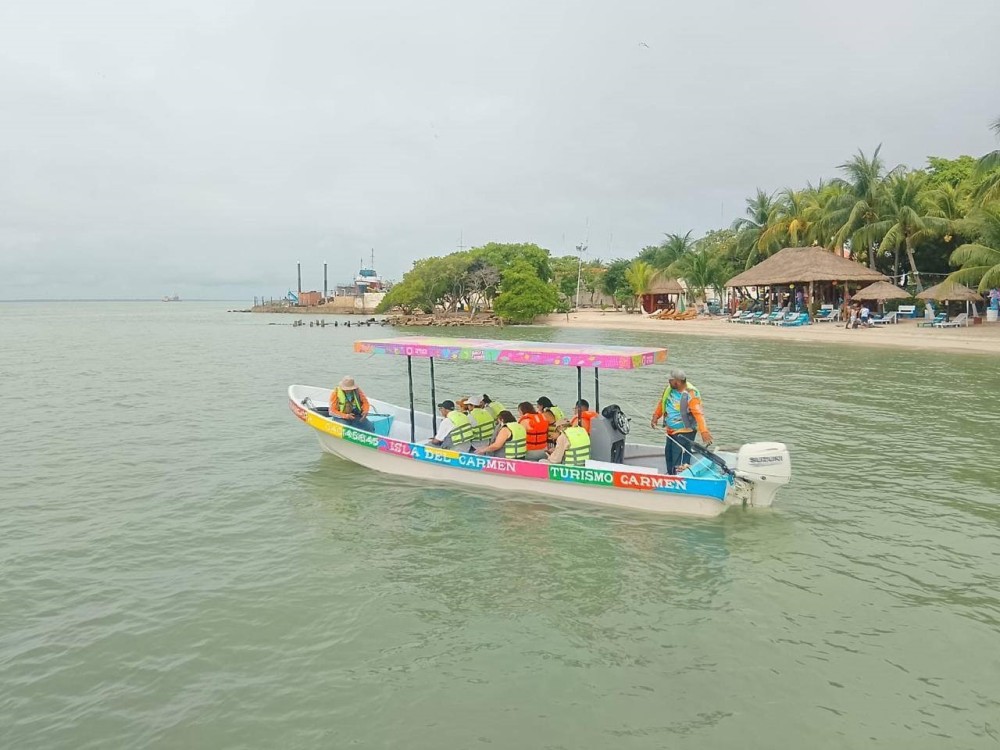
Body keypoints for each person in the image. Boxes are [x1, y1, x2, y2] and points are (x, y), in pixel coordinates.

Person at [650, 369, 713, 475]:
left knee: (680, 461)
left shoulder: (691, 394)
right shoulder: (669, 389)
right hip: (670, 432)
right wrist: (656, 416)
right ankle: (670, 477)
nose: (668, 382)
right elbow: (663, 402)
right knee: (669, 457)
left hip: (684, 433)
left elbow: (699, 414)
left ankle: (680, 479)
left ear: (677, 382)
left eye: (670, 380)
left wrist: (704, 431)